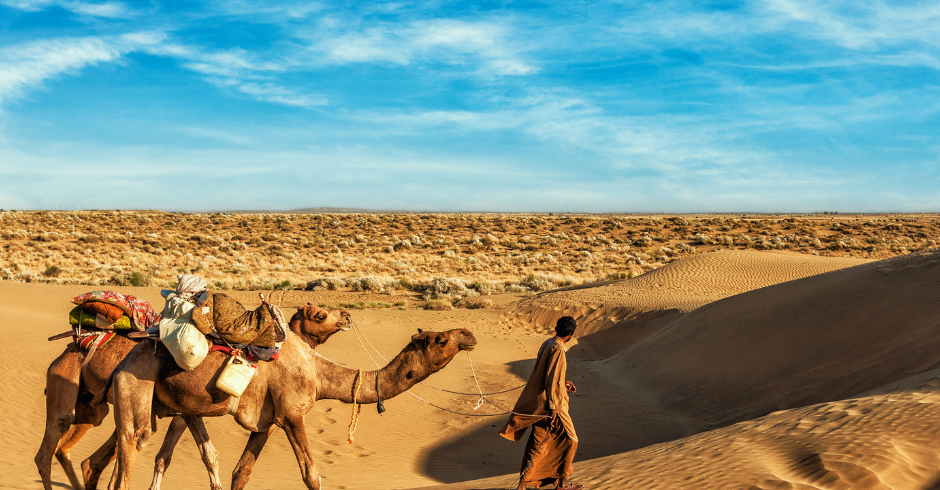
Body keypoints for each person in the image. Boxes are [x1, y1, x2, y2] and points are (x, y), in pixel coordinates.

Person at [499, 316, 582, 490]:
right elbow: (551, 380)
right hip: (552, 405)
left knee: (538, 443)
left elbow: (549, 372)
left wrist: (564, 382)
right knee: (570, 440)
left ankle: (524, 485)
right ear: (572, 333)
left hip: (540, 403)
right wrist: (553, 408)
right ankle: (562, 483)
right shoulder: (558, 348)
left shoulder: (548, 343)